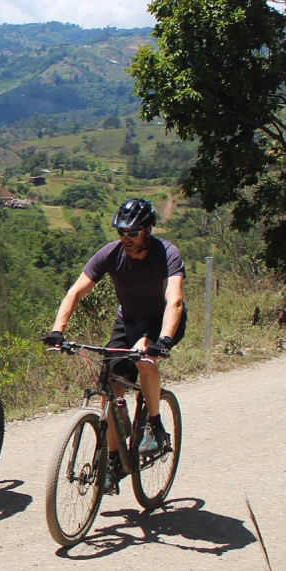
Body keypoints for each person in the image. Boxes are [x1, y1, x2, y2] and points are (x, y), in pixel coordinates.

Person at [44, 197, 187, 489]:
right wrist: (58, 330)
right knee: (111, 388)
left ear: (147, 230)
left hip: (163, 321)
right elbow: (74, 294)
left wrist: (164, 341)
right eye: (121, 232)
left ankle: (154, 424)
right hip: (129, 321)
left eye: (132, 233)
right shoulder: (111, 254)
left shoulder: (166, 253)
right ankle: (112, 459)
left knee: (144, 355)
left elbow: (175, 300)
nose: (125, 239)